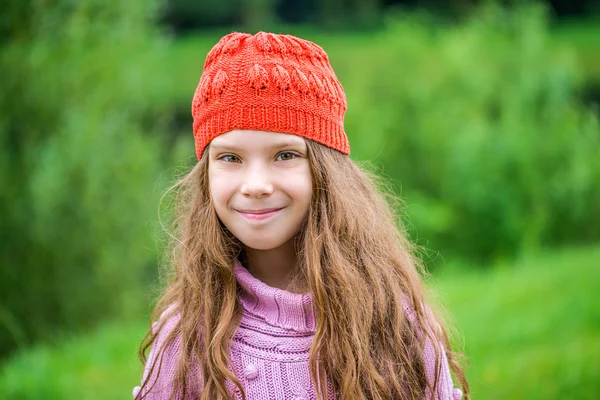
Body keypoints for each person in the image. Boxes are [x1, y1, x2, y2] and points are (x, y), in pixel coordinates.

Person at [133, 31, 469, 400]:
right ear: (206, 175)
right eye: (230, 158)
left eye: (285, 155)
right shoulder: (188, 338)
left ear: (327, 172)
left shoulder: (395, 321)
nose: (256, 185)